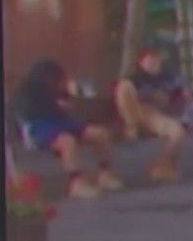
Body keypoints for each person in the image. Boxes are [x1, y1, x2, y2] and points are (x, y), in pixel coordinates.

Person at [13, 58, 121, 198]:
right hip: (38, 127)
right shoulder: (25, 92)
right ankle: (76, 183)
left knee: (100, 134)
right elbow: (28, 114)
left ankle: (105, 174)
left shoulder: (55, 88)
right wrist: (55, 105)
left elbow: (68, 104)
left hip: (60, 122)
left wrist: (69, 95)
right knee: (67, 141)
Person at [115, 45, 193, 180]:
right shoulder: (135, 79)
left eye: (157, 60)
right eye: (150, 60)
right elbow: (129, 95)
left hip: (168, 113)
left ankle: (163, 165)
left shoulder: (169, 77)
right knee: (176, 130)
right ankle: (162, 165)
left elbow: (184, 91)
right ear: (141, 63)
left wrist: (189, 98)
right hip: (145, 113)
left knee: (188, 124)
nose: (154, 63)